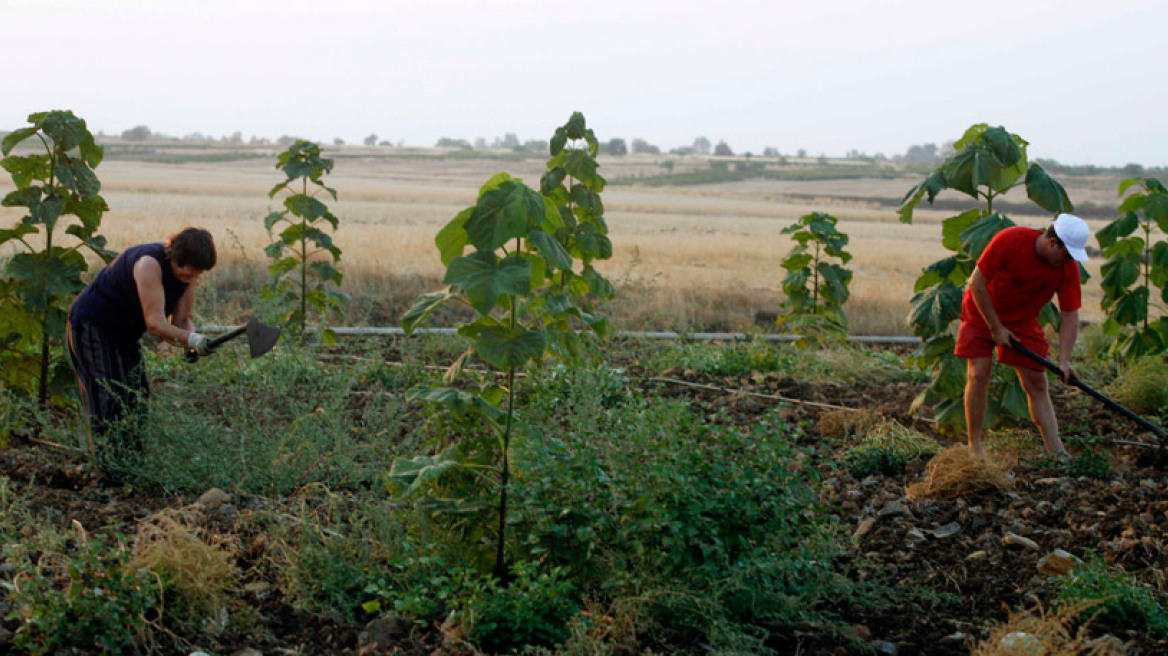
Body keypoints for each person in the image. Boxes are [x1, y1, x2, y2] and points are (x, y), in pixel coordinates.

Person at [66, 227, 217, 463]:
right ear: (174, 257)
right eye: (188, 275)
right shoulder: (148, 264)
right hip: (93, 325)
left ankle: (132, 465)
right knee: (109, 396)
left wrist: (193, 343)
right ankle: (108, 471)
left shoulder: (187, 276)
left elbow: (182, 319)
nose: (192, 280)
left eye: (196, 276)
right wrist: (192, 340)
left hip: (125, 333)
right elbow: (155, 324)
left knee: (137, 397)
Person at [955, 213, 1091, 458]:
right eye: (1067, 254)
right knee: (980, 372)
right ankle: (975, 447)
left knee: (1037, 382)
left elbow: (1070, 314)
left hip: (1021, 320)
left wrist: (1064, 360)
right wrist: (995, 328)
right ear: (1052, 243)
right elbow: (976, 283)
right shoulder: (1010, 239)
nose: (1069, 260)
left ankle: (1057, 454)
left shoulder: (1066, 268)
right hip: (981, 309)